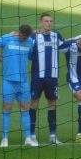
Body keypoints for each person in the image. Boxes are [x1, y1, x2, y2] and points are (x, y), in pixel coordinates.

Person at [0, 24, 35, 147]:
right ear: (19, 32)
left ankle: (28, 138)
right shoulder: (7, 38)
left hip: (23, 82)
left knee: (25, 109)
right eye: (23, 35)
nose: (24, 38)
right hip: (8, 81)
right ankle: (5, 138)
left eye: (26, 36)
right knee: (7, 109)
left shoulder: (30, 41)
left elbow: (30, 56)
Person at [29, 13, 63, 145]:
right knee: (34, 104)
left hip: (52, 77)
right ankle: (32, 135)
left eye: (50, 21)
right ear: (41, 22)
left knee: (53, 105)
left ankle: (53, 136)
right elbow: (27, 53)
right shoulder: (34, 36)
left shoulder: (56, 36)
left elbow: (65, 45)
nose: (49, 23)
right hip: (37, 77)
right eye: (46, 21)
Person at [62, 33, 81, 142]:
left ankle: (80, 135)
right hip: (73, 78)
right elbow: (59, 44)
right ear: (79, 43)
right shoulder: (70, 45)